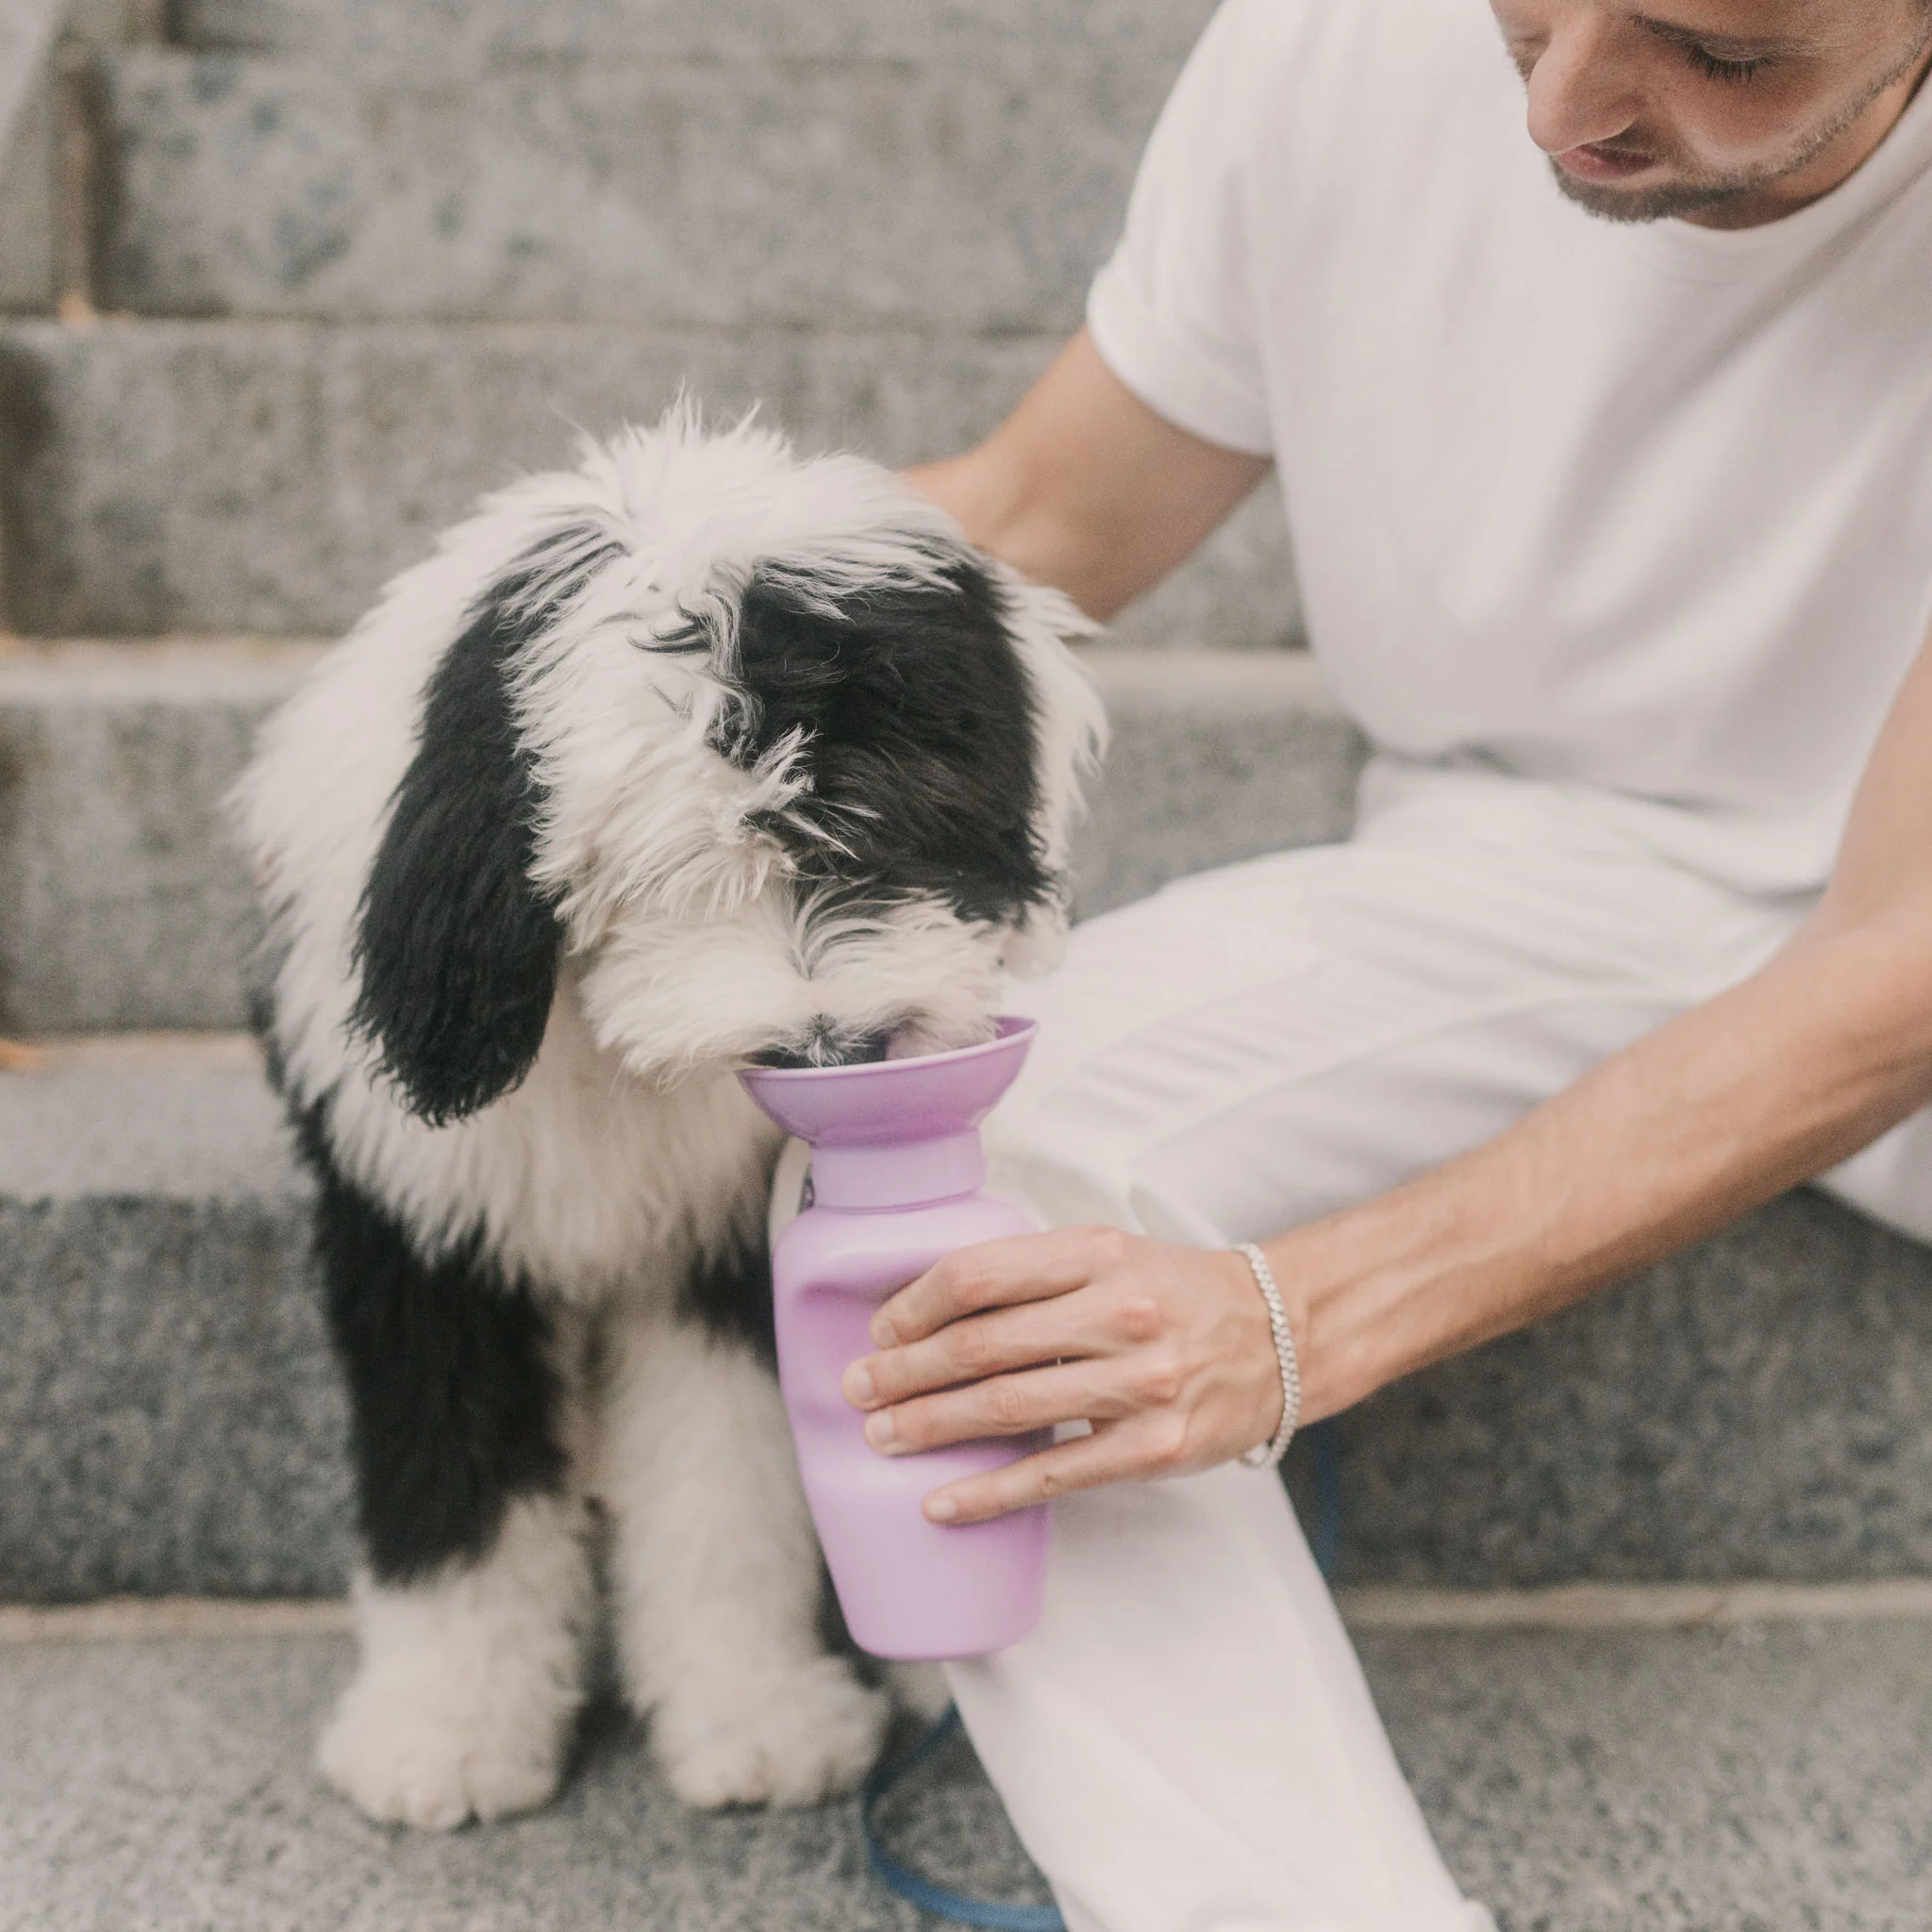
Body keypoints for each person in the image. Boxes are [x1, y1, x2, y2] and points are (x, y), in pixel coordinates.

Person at [830, 1, 1932, 1925]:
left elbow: (1898, 959)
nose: (1566, 107)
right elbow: (1042, 515)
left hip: (1895, 910)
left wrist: (1292, 1319)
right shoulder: (1334, 44)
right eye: (1533, 9)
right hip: (1516, 867)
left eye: (1714, 52)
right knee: (968, 1180)